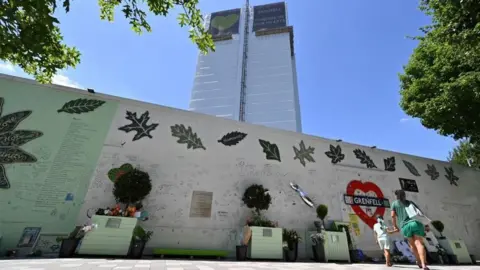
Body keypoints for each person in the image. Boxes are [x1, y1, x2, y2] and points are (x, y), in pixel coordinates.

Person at [391, 190, 429, 270]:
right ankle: (424, 264)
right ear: (405, 195)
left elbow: (393, 216)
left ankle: (418, 261)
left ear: (396, 196)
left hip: (405, 226)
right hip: (416, 223)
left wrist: (395, 226)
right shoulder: (410, 202)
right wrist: (426, 224)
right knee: (419, 244)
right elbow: (420, 213)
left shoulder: (394, 204)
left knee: (412, 245)